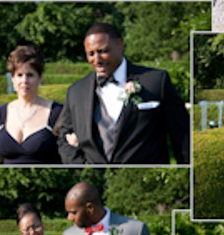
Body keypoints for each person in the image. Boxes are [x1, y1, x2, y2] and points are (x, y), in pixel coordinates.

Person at [57, 23, 190, 165]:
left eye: (103, 51)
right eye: (91, 54)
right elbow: (65, 137)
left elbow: (182, 136)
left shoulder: (156, 81)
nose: (96, 59)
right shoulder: (76, 91)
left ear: (120, 45)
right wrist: (79, 168)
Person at [0, 45, 63, 165]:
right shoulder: (1, 113)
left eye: (30, 75)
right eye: (19, 75)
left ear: (40, 78)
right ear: (12, 78)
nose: (24, 81)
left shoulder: (57, 112)